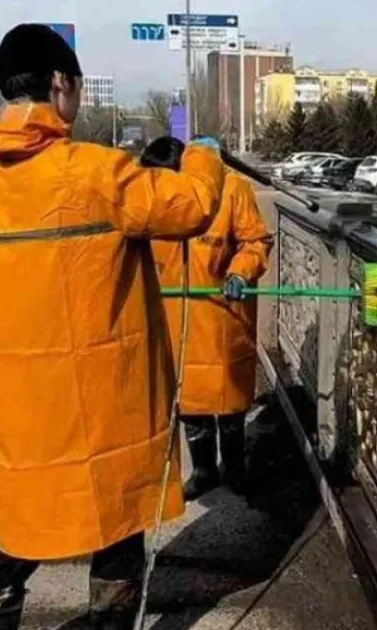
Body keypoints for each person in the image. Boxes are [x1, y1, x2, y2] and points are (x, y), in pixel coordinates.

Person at [0, 24, 225, 630]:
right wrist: (202, 154)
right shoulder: (96, 173)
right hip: (102, 411)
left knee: (26, 526)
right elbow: (193, 206)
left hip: (18, 413)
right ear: (61, 83)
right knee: (115, 523)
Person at [142, 136, 273, 499]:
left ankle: (233, 466)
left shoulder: (232, 190)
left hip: (221, 317)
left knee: (227, 400)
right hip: (171, 316)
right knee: (188, 400)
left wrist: (239, 273)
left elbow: (256, 241)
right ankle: (203, 471)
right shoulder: (150, 196)